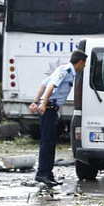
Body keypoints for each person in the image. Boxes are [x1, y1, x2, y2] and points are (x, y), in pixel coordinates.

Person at [29, 49, 88, 186]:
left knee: (50, 141)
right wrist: (42, 104)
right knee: (47, 142)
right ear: (79, 62)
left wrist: (35, 102)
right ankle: (42, 173)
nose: (84, 67)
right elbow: (50, 86)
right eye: (84, 64)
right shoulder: (66, 71)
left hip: (50, 109)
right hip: (48, 109)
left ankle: (48, 173)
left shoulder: (64, 70)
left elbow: (42, 84)